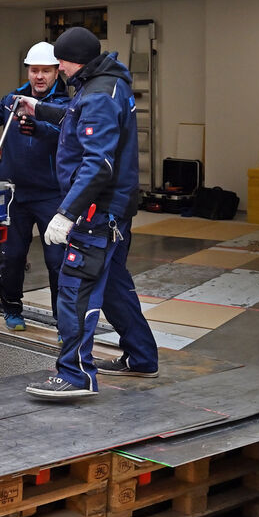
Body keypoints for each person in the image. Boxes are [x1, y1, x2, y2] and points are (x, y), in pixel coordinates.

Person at [13, 27, 159, 400]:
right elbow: (79, 121)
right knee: (112, 286)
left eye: (59, 61)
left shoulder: (97, 96)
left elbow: (99, 164)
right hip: (115, 210)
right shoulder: (109, 85)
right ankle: (141, 357)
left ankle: (75, 374)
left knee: (75, 288)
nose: (57, 69)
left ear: (72, 59)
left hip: (96, 213)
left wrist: (65, 213)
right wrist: (40, 108)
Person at [0, 41, 70, 332]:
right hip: (15, 195)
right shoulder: (13, 100)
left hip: (51, 196)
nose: (40, 76)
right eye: (34, 70)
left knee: (58, 260)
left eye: (46, 70)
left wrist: (39, 125)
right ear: (28, 72)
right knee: (12, 257)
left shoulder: (65, 105)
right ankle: (11, 310)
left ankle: (64, 323)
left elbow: (65, 131)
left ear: (57, 72)